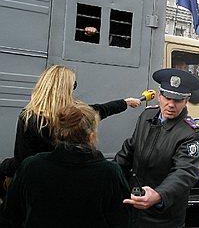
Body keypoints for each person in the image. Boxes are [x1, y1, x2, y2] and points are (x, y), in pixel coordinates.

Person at [0, 65, 141, 196]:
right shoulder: (76, 115)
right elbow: (101, 110)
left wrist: (5, 166)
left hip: (38, 183)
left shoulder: (29, 117)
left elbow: (21, 161)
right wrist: (125, 103)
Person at [1, 104, 132, 228]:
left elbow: (10, 216)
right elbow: (122, 220)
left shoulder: (31, 166)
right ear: (91, 136)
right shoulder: (110, 172)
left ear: (58, 133)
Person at [114, 68, 199, 228]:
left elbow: (185, 172)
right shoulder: (147, 116)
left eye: (177, 100)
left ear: (186, 101)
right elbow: (130, 150)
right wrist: (110, 176)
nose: (171, 105)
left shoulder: (190, 132)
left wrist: (159, 195)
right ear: (159, 95)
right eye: (167, 98)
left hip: (162, 216)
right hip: (133, 208)